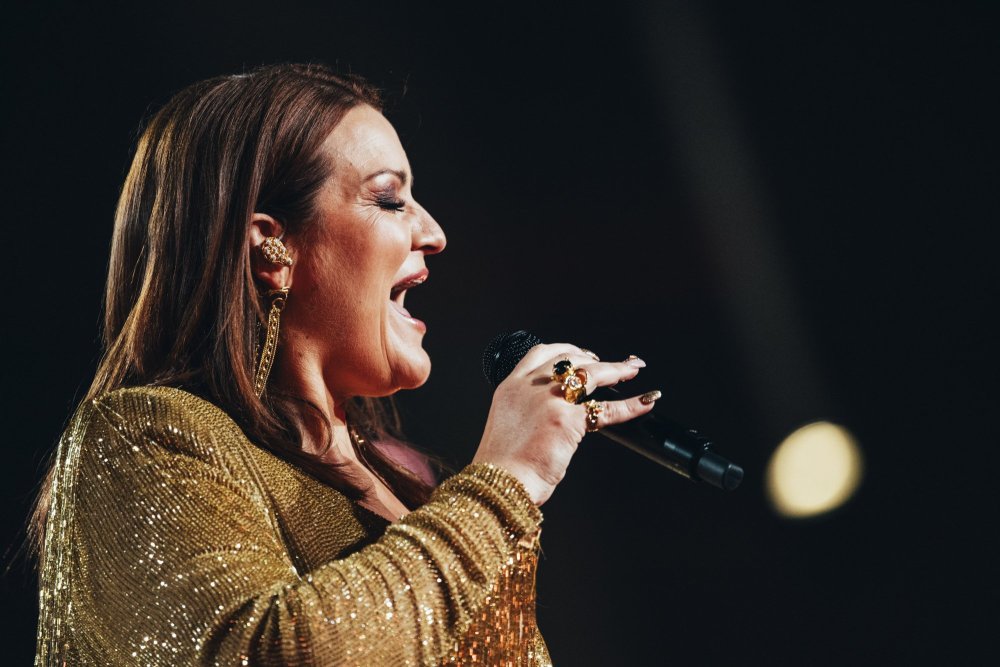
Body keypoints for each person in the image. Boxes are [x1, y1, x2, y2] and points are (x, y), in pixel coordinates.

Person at [32, 63, 658, 666]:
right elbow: (270, 656)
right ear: (272, 248)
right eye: (389, 200)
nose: (434, 232)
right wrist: (508, 480)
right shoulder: (143, 436)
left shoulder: (412, 486)